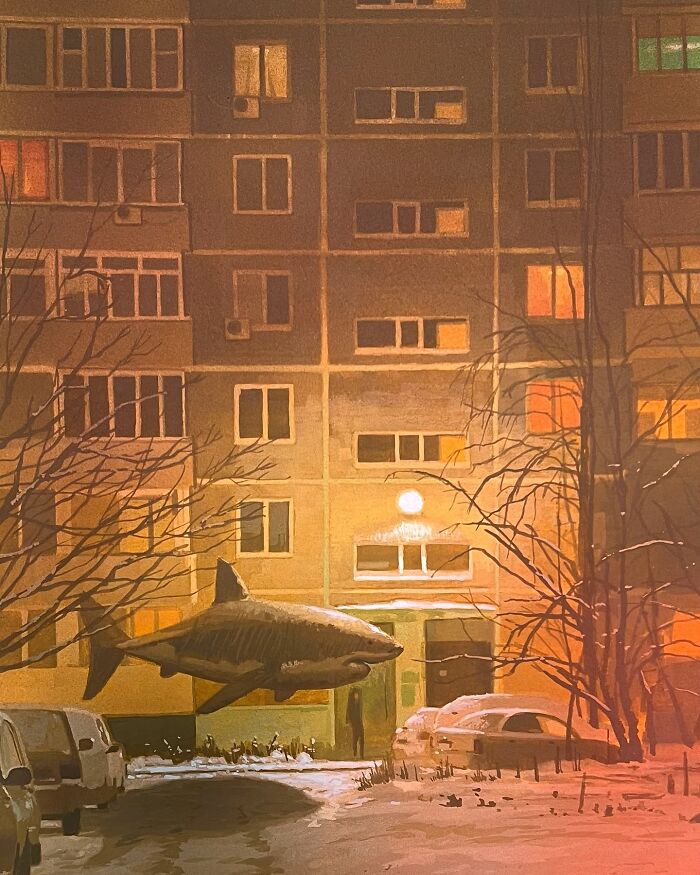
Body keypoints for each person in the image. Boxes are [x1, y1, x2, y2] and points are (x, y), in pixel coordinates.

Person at [346, 687, 364, 758]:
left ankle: (361, 754)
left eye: (357, 694)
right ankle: (355, 753)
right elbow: (348, 712)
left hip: (359, 721)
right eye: (355, 694)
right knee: (355, 738)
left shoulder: (359, 702)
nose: (356, 696)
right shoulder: (351, 703)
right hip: (354, 722)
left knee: (362, 737)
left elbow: (360, 712)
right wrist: (348, 721)